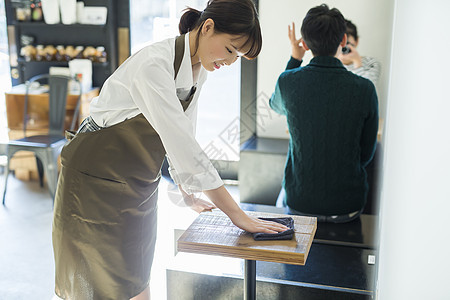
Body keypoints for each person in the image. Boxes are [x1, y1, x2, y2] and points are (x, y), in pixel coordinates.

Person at [52, 1, 288, 299]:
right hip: (94, 180)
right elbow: (181, 143)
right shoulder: (154, 64)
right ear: (207, 27)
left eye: (238, 56)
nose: (230, 62)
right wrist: (236, 213)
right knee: (99, 287)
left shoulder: (197, 68)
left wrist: (187, 192)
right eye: (230, 49)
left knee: (136, 280)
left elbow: (183, 133)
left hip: (136, 184)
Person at [270, 4, 379, 223]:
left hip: (300, 204)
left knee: (280, 198)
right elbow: (366, 153)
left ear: (306, 44)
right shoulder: (365, 88)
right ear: (342, 41)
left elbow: (276, 105)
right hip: (348, 207)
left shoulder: (288, 81)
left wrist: (295, 58)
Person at [338, 19, 381, 85]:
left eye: (347, 43)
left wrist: (357, 62)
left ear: (356, 41)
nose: (344, 47)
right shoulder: (330, 64)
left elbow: (369, 89)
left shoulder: (371, 63)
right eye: (341, 43)